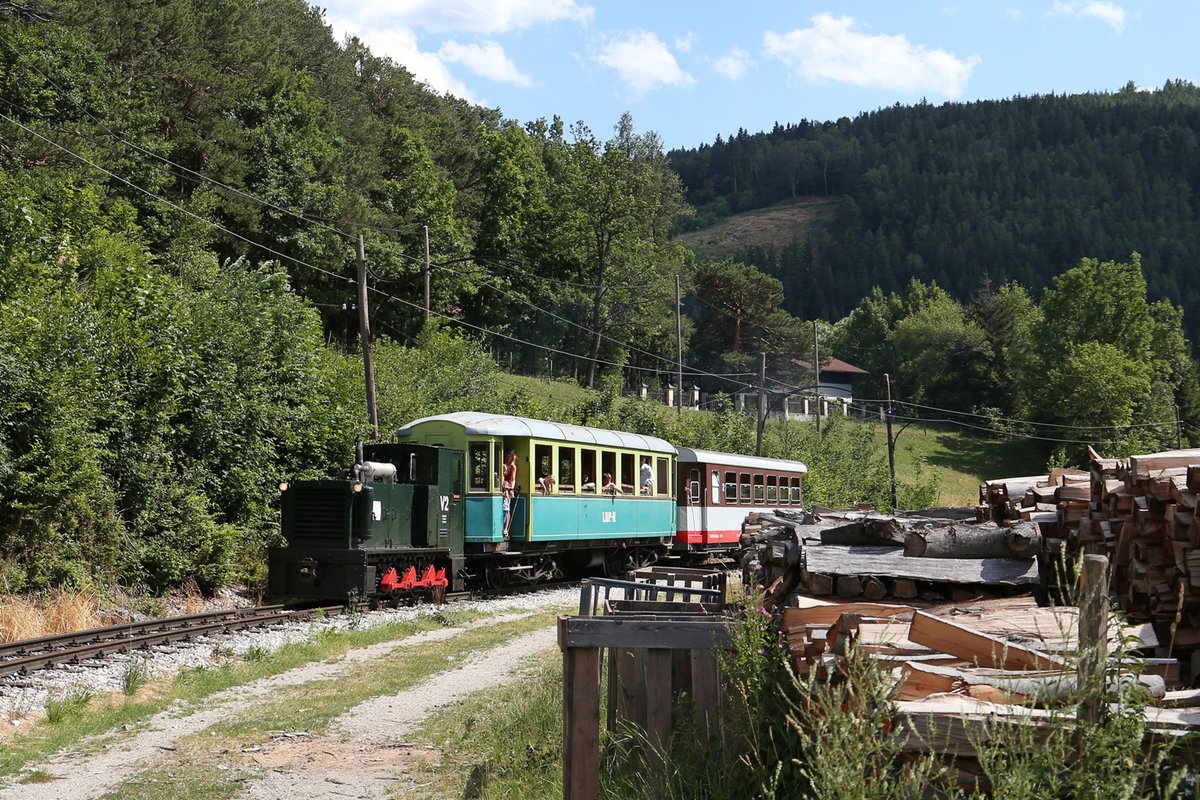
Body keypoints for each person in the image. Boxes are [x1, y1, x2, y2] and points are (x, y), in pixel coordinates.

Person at [502, 450, 517, 533]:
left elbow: (513, 479)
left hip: (508, 486)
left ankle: (505, 528)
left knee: (507, 508)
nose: (508, 458)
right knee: (504, 508)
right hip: (502, 486)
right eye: (507, 456)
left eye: (510, 456)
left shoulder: (513, 466)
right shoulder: (502, 464)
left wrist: (511, 488)